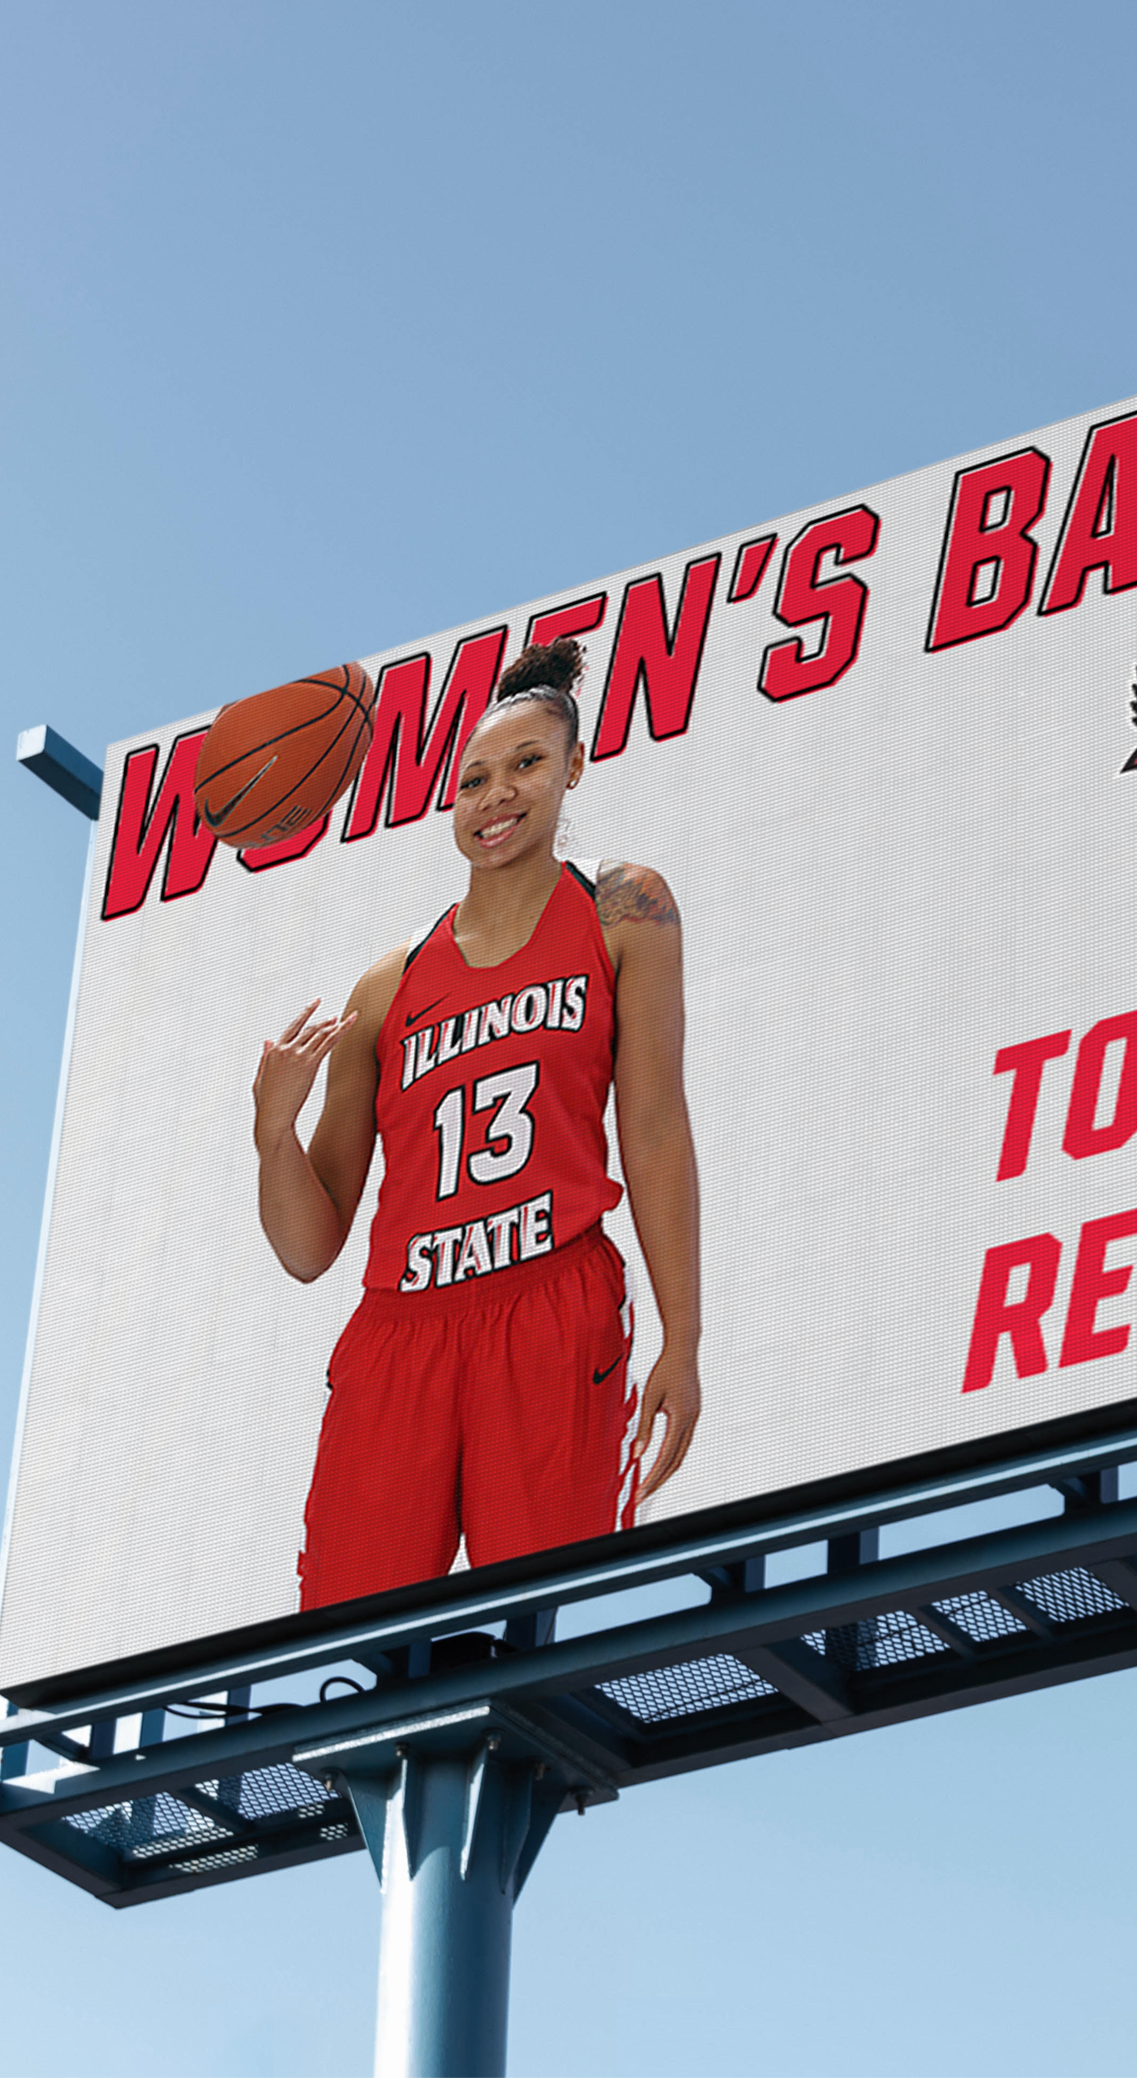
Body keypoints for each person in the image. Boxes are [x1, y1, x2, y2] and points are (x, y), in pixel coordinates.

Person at [246, 637, 703, 1610]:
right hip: (402, 1331)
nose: (497, 797)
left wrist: (683, 1336)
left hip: (551, 1298)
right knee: (350, 1647)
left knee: (549, 1637)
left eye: (528, 765)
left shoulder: (625, 905)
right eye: (475, 780)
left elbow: (654, 1125)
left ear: (573, 768)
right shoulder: (387, 987)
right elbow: (307, 1246)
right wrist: (271, 1134)